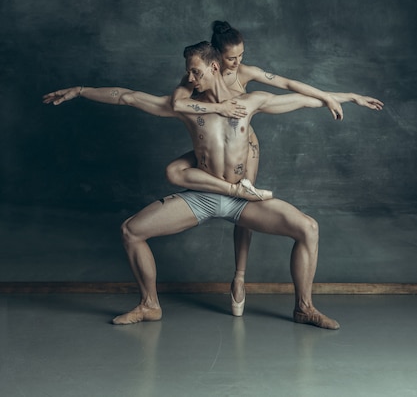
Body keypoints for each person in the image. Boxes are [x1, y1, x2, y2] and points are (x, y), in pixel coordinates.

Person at [43, 41, 383, 329]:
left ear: (214, 69)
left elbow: (302, 100)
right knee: (131, 231)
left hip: (243, 201)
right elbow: (126, 97)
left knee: (308, 228)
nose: (188, 78)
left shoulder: (250, 103)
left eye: (195, 72)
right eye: (188, 72)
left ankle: (304, 306)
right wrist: (81, 91)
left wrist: (348, 96)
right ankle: (150, 304)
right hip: (203, 196)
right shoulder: (186, 108)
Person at [166, 21, 346, 314]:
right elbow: (175, 103)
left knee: (244, 207)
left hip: (243, 148)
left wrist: (331, 97)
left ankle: (241, 277)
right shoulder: (196, 75)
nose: (237, 63)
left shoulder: (244, 75)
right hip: (210, 146)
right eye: (231, 58)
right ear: (215, 59)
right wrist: (218, 108)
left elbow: (287, 88)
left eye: (241, 56)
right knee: (176, 171)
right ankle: (239, 273)